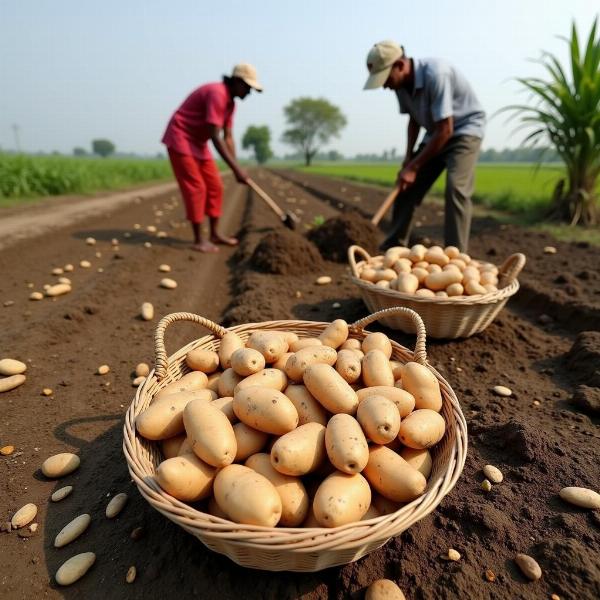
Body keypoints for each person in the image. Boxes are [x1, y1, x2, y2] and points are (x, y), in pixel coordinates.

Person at [363, 41, 485, 252]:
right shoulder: (400, 85)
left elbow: (446, 129)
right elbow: (413, 119)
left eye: (385, 78)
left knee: (456, 189)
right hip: (435, 132)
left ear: (400, 65)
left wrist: (414, 167)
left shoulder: (437, 74)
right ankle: (394, 244)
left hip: (464, 130)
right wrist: (408, 160)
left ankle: (455, 256)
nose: (384, 85)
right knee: (405, 185)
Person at [162, 63, 263, 253]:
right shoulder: (217, 94)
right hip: (181, 138)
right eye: (247, 87)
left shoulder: (230, 104)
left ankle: (214, 234)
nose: (249, 93)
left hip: (199, 142)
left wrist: (237, 168)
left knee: (215, 185)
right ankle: (199, 240)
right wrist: (236, 170)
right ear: (236, 81)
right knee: (197, 187)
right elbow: (215, 137)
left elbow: (228, 137)